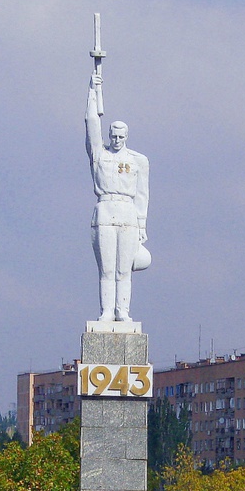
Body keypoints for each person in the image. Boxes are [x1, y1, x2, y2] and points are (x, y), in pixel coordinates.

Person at [86, 70, 149, 322]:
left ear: (127, 137)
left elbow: (143, 194)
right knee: (107, 269)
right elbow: (91, 124)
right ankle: (106, 311)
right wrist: (92, 92)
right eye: (113, 136)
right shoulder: (100, 155)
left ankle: (122, 311)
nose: (116, 140)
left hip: (128, 214)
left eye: (121, 137)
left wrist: (142, 224)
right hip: (104, 211)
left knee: (124, 269)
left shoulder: (138, 161)